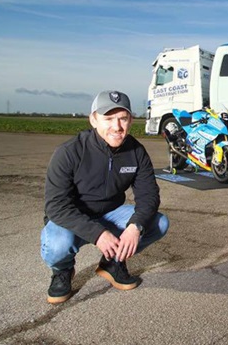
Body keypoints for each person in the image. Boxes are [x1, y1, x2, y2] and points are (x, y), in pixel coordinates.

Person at [41, 90, 169, 304]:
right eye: (108, 118)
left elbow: (149, 196)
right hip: (73, 217)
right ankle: (62, 270)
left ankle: (113, 262)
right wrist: (99, 234)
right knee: (58, 244)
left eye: (123, 118)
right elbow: (56, 206)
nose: (117, 127)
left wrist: (135, 226)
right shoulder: (69, 152)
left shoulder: (136, 151)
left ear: (131, 120)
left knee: (159, 223)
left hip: (110, 213)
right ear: (93, 119)